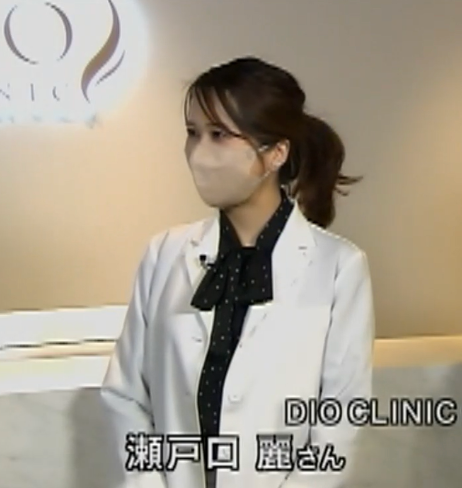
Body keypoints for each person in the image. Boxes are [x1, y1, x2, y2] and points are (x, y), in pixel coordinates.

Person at [100, 57, 374, 488]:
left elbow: (339, 421)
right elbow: (126, 394)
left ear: (275, 153)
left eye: (219, 135)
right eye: (192, 133)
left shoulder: (339, 268)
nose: (198, 154)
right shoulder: (164, 254)